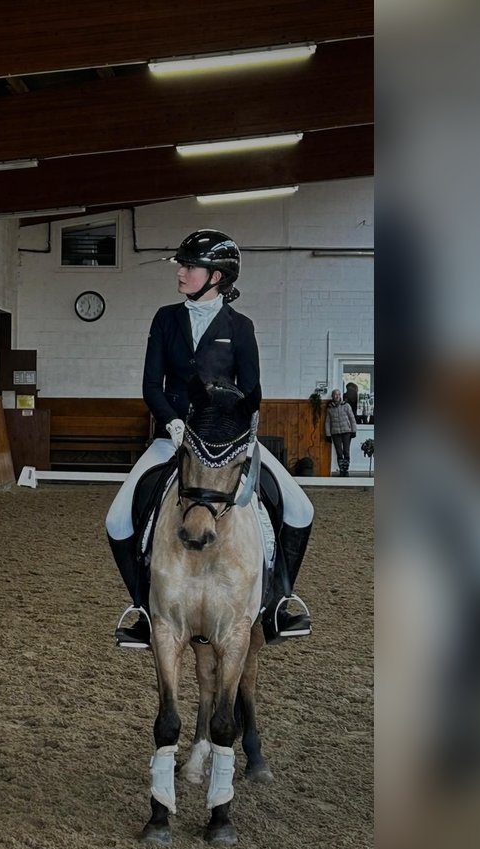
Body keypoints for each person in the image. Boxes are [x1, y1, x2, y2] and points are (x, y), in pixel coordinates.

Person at [107, 229, 314, 649]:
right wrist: (173, 423)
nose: (181, 273)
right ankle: (144, 609)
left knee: (300, 508)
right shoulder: (166, 319)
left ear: (216, 276)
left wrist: (235, 434)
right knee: (116, 519)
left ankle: (277, 603)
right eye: (181, 265)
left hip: (227, 442)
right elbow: (152, 385)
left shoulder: (240, 327)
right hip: (174, 438)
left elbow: (251, 390)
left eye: (190, 267)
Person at [325, 388, 358, 476]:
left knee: (346, 451)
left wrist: (353, 430)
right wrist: (328, 434)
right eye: (335, 394)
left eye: (339, 394)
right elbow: (327, 422)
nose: (337, 396)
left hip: (346, 431)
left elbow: (352, 418)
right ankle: (341, 470)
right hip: (335, 432)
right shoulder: (330, 408)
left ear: (341, 396)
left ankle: (346, 469)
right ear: (332, 396)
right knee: (339, 452)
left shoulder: (346, 405)